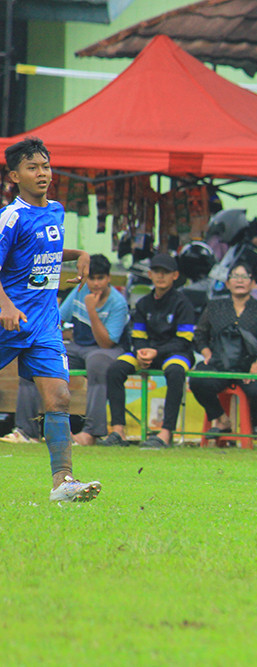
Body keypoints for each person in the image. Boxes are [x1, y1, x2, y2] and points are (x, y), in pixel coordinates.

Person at [0, 137, 101, 501]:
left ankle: (63, 483)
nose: (42, 173)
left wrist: (79, 253)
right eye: (33, 167)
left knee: (58, 396)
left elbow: (43, 250)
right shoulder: (10, 217)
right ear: (15, 176)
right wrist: (6, 307)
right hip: (8, 320)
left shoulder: (55, 210)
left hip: (43, 323)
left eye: (45, 165)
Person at [9, 253, 129, 445]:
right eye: (91, 278)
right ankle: (26, 431)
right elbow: (59, 320)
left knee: (97, 362)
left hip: (107, 351)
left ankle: (91, 432)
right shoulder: (79, 291)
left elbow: (107, 343)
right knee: (34, 359)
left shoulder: (117, 302)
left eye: (101, 278)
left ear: (109, 279)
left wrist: (91, 310)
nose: (96, 283)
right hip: (78, 348)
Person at [102, 252, 196, 448]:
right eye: (156, 272)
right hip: (146, 353)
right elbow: (137, 336)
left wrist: (155, 352)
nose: (161, 276)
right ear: (150, 275)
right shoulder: (144, 303)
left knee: (176, 371)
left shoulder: (183, 303)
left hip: (176, 353)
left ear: (175, 275)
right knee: (115, 369)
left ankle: (165, 433)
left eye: (166, 272)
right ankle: (118, 431)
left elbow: (184, 340)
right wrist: (142, 352)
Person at [188, 262, 257, 441]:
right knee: (197, 380)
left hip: (248, 366)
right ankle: (221, 419)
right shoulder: (215, 306)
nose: (240, 281)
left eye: (245, 277)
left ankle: (253, 422)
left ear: (252, 283)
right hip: (219, 364)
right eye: (235, 276)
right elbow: (199, 334)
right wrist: (206, 352)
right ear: (227, 283)